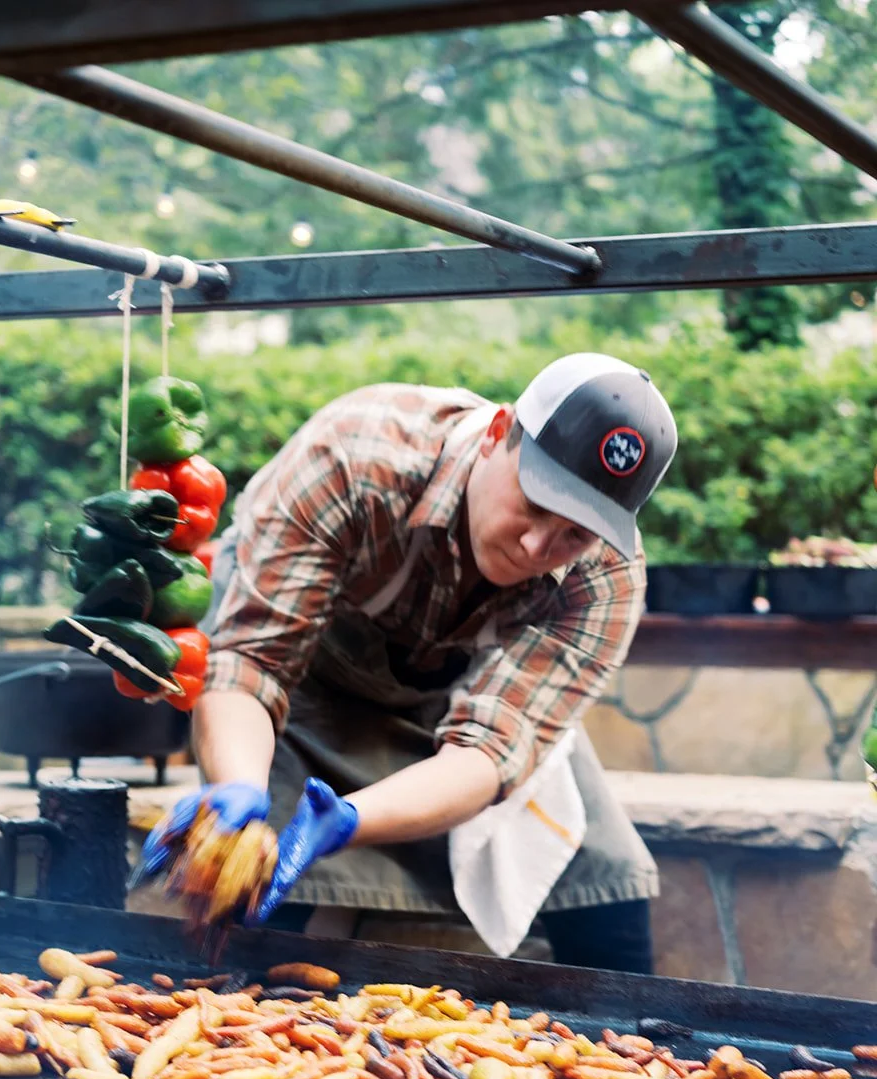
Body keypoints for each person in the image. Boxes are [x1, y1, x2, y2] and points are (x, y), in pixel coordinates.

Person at [144, 353, 678, 975]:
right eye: (535, 504)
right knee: (252, 889)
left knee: (608, 886)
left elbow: (487, 753)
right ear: (499, 434)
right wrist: (236, 782)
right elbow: (253, 662)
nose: (539, 548)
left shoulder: (607, 574)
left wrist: (350, 819)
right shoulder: (354, 455)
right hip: (305, 680)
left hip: (461, 695)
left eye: (574, 535)